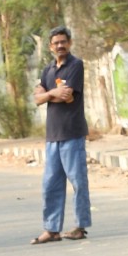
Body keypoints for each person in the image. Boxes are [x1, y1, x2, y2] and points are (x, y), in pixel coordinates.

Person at [32, 26, 91, 244]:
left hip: (72, 133)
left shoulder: (75, 65)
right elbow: (37, 98)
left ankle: (80, 226)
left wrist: (48, 95)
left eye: (63, 42)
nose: (60, 46)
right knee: (50, 184)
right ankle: (52, 229)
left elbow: (67, 97)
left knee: (78, 181)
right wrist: (52, 93)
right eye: (56, 43)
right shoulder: (48, 69)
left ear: (70, 43)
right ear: (50, 46)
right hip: (52, 135)